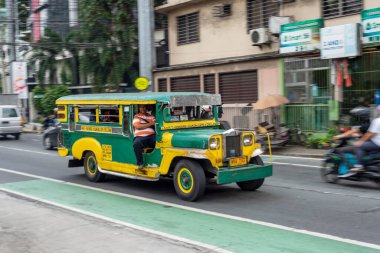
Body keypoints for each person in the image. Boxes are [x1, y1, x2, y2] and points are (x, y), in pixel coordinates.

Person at [340, 105, 380, 177]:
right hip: (375, 143)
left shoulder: (377, 121)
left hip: (377, 143)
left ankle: (358, 166)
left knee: (358, 146)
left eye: (378, 110)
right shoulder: (371, 122)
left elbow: (369, 134)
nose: (378, 112)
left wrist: (360, 141)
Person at [133, 104, 156, 170]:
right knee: (136, 143)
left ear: (147, 108)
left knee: (161, 140)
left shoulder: (151, 116)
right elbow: (138, 126)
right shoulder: (137, 117)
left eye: (144, 107)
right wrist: (150, 124)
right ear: (139, 108)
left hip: (152, 136)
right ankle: (140, 163)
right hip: (140, 137)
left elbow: (155, 124)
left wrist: (145, 125)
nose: (143, 109)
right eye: (141, 107)